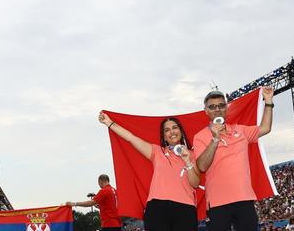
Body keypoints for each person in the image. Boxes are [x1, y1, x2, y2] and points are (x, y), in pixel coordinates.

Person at [96, 112, 200, 231]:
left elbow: (195, 183)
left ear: (181, 131)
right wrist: (109, 123)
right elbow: (130, 138)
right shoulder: (156, 152)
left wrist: (187, 160)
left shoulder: (192, 155)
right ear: (164, 136)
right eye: (167, 130)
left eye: (175, 128)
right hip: (157, 208)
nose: (172, 132)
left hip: (185, 209)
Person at [194, 86, 275, 231]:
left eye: (221, 105)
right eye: (212, 107)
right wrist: (215, 139)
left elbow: (265, 128)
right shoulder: (200, 137)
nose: (217, 109)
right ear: (206, 111)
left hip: (244, 199)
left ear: (227, 108)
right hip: (217, 203)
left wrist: (268, 101)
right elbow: (201, 166)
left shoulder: (241, 130)